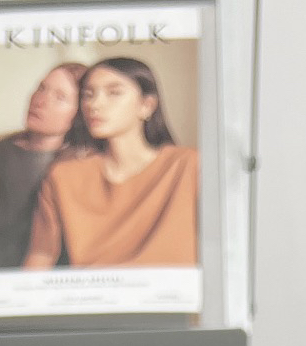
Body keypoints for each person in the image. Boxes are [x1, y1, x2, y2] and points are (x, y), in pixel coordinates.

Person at [23, 56, 198, 270]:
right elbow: (41, 255)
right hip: (92, 289)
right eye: (88, 95)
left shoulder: (188, 165)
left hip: (174, 289)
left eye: (114, 93)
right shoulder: (63, 176)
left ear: (147, 105)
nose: (94, 104)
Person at [0, 62, 84, 270]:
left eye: (60, 97)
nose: (41, 101)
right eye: (41, 88)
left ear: (80, 113)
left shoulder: (85, 165)